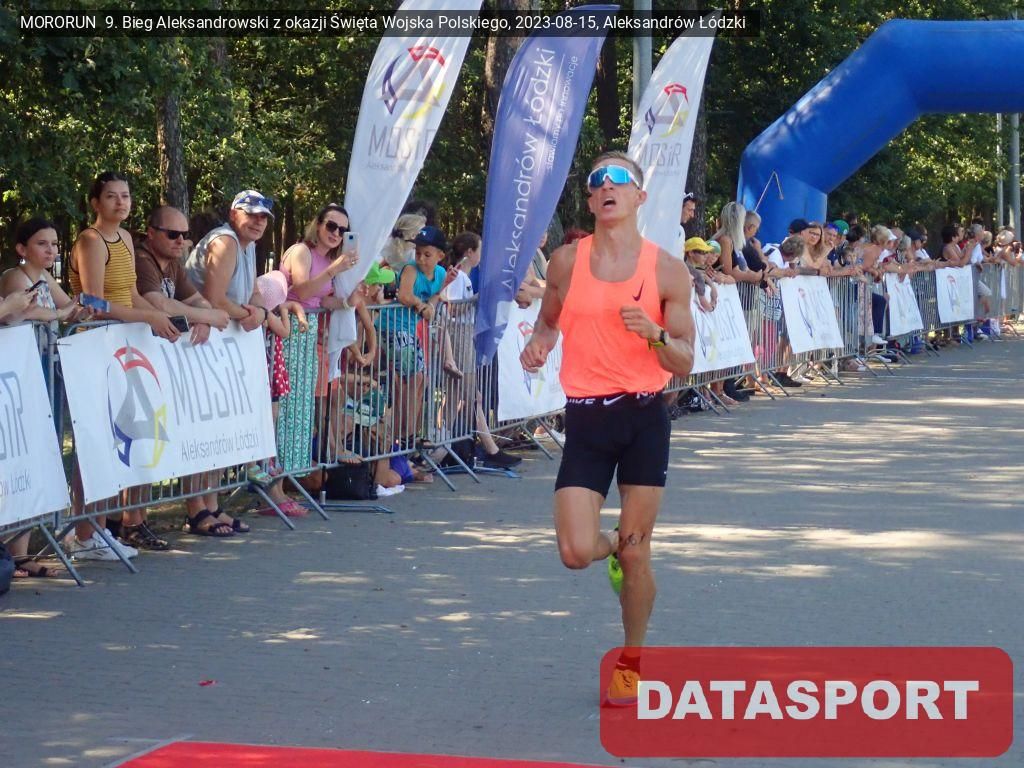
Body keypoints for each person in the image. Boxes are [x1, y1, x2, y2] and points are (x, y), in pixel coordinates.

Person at [519, 151, 695, 707]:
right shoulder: (566, 262)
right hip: (587, 419)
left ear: (639, 196)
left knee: (639, 555)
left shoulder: (667, 270)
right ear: (591, 200)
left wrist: (654, 335)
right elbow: (547, 322)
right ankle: (616, 546)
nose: (607, 186)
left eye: (620, 178)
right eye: (598, 181)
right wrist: (537, 346)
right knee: (575, 551)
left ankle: (631, 661)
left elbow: (685, 359)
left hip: (644, 417)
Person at [66, 172, 181, 561]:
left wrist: (162, 319)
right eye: (112, 196)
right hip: (95, 344)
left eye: (126, 196)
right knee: (94, 441)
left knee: (115, 439)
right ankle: (84, 533)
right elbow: (94, 302)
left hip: (122, 346)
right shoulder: (90, 240)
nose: (120, 202)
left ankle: (99, 528)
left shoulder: (126, 239)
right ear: (96, 203)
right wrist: (148, 318)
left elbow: (130, 293)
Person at [134, 205, 238, 539]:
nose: (180, 241)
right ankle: (129, 521)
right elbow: (159, 303)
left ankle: (140, 520)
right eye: (172, 234)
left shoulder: (174, 264)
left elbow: (198, 301)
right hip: (139, 364)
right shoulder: (142, 260)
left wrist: (202, 316)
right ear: (151, 233)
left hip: (164, 365)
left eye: (185, 235)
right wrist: (205, 317)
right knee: (142, 441)